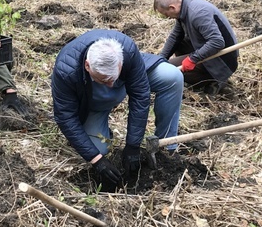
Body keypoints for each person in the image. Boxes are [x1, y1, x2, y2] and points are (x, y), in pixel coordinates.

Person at [51, 29, 184, 187]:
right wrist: (96, 160)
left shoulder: (125, 49)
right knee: (99, 150)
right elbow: (66, 117)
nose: (111, 85)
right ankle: (102, 130)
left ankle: (165, 146)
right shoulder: (66, 70)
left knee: (172, 76)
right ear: (87, 66)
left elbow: (140, 95)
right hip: (92, 100)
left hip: (127, 78)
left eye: (113, 78)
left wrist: (133, 145)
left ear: (120, 62)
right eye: (104, 80)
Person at [154, 0, 238, 94]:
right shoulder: (183, 7)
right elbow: (175, 36)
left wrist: (193, 59)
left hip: (223, 60)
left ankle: (215, 79)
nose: (167, 17)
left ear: (172, 7)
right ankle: (201, 74)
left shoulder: (197, 13)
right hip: (209, 49)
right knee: (177, 46)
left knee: (171, 70)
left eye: (165, 13)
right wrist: (160, 60)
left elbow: (217, 42)